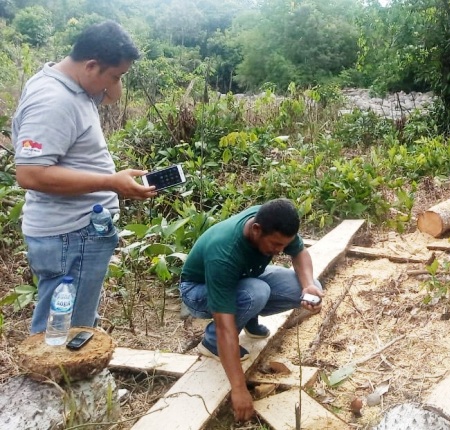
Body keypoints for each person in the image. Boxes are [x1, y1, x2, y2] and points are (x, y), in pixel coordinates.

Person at [12, 21, 156, 334]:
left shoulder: (75, 83)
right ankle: (53, 382)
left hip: (79, 231)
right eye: (115, 76)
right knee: (61, 331)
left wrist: (114, 73)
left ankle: (73, 378)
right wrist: (111, 182)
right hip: (70, 234)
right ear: (90, 65)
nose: (115, 86)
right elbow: (30, 173)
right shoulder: (54, 101)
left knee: (75, 319)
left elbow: (111, 96)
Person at [179, 199, 324, 422]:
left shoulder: (272, 220)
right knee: (256, 292)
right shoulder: (224, 254)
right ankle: (210, 343)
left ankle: (249, 318)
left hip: (243, 277)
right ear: (256, 230)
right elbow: (225, 328)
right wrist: (238, 389)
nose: (280, 251)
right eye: (276, 245)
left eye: (284, 245)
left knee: (306, 286)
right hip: (198, 290)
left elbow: (300, 252)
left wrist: (307, 286)